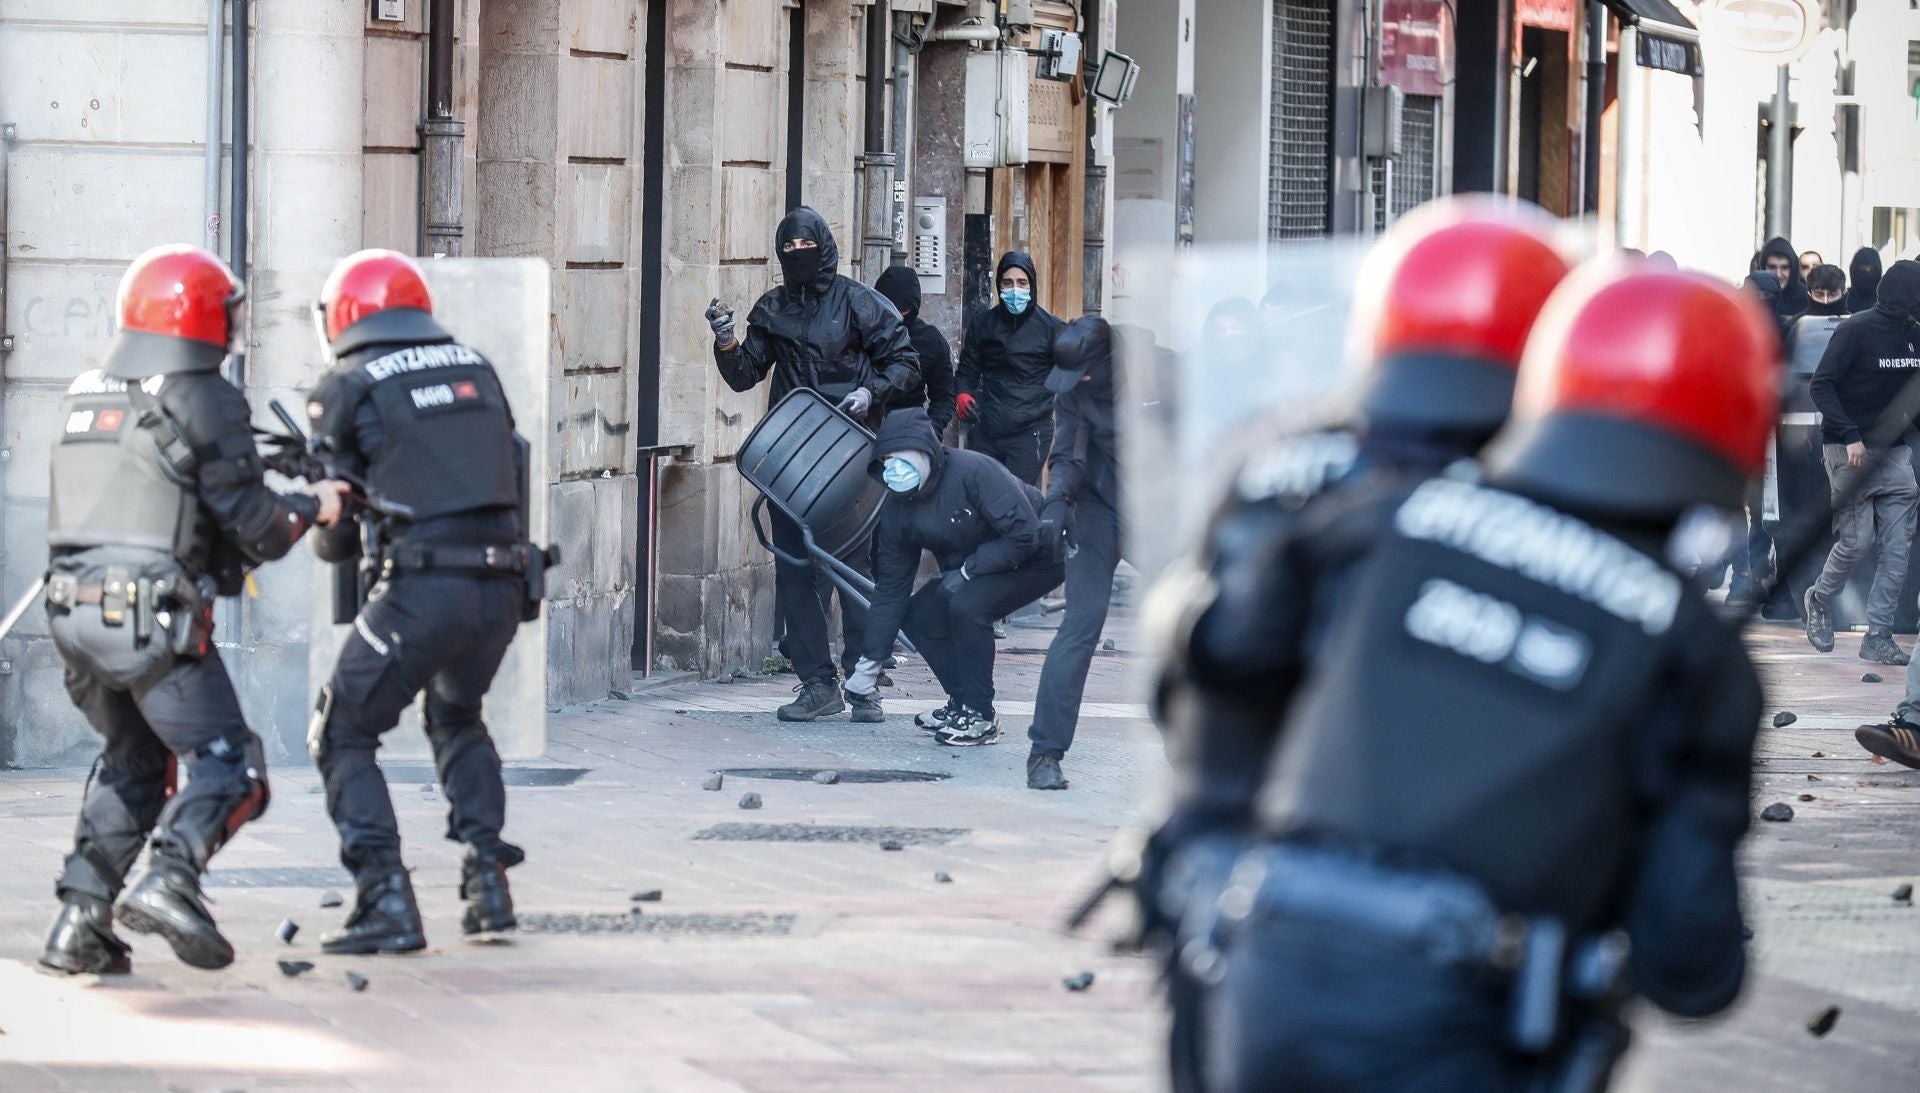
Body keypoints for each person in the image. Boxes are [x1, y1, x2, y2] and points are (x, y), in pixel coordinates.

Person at [1196, 267, 1779, 1090]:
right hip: (1457, 1020)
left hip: (1261, 970)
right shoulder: (1695, 652)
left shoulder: (1388, 517)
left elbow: (1220, 655)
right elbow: (1690, 967)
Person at [1137, 197, 1573, 1092]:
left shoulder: (1279, 468)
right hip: (1427, 927)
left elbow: (1194, 667)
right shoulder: (1527, 520)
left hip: (1224, 890)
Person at [38, 244, 347, 975]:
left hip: (72, 617)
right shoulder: (204, 393)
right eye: (229, 313)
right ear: (203, 317)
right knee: (232, 769)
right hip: (149, 621)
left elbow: (159, 485)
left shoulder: (88, 391)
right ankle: (170, 878)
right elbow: (258, 528)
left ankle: (79, 924)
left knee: (135, 764)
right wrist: (315, 504)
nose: (235, 327)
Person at [305, 249, 541, 954]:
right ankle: (488, 880)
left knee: (341, 732)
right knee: (457, 713)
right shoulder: (476, 366)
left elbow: (335, 541)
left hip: (422, 588)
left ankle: (385, 899)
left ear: (342, 315)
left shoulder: (347, 384)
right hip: (503, 584)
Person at [708, 207, 920, 721]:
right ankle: (818, 685)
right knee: (796, 571)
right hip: (791, 458)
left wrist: (872, 392)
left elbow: (905, 363)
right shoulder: (773, 307)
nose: (799, 255)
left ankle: (864, 682)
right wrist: (727, 341)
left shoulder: (860, 303)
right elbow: (745, 375)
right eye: (790, 249)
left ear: (824, 247)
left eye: (807, 246)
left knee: (854, 568)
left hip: (850, 454)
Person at [842, 408, 1065, 744]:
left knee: (968, 607)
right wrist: (869, 663)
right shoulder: (898, 507)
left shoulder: (974, 471)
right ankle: (962, 702)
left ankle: (980, 716)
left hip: (1039, 555)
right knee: (919, 615)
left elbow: (1025, 535)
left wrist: (968, 570)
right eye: (887, 459)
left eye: (903, 457)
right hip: (978, 564)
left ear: (927, 453)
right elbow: (891, 589)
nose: (894, 467)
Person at [1803, 260, 1920, 666]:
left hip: (1894, 452)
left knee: (1898, 548)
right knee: (1857, 543)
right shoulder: (1856, 330)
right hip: (1848, 448)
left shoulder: (1915, 335)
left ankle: (1878, 636)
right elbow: (1821, 386)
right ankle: (1819, 600)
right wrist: (1851, 434)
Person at [1025, 316, 1124, 791]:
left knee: (1193, 620)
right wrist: (1056, 505)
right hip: (1098, 508)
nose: (1077, 383)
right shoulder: (1073, 388)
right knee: (1081, 623)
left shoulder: (1163, 375)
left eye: (1083, 374)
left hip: (1160, 511)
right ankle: (1044, 754)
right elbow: (1067, 452)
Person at [955, 251, 1063, 486]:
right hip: (987, 427)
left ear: (1031, 285)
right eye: (1008, 282)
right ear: (999, 285)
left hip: (1030, 431)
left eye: (1022, 283)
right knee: (981, 493)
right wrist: (962, 394)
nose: (1015, 289)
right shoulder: (983, 325)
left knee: (1016, 495)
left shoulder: (1052, 329)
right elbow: (967, 370)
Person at [875, 264, 957, 436]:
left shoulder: (930, 341)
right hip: (860, 426)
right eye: (888, 309)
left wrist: (928, 431)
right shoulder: (861, 330)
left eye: (901, 311)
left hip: (907, 430)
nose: (894, 316)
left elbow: (944, 398)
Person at [1845, 246, 1884, 315]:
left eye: (1871, 268)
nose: (1867, 270)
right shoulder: (1844, 300)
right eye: (1863, 267)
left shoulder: (1885, 300)